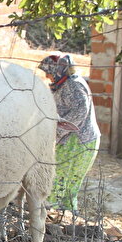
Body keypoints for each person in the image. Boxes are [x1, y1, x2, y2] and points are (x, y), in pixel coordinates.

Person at [39, 53, 100, 214]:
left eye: (49, 72)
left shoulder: (74, 85)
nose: (47, 76)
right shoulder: (62, 85)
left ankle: (52, 213)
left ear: (59, 70)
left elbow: (80, 111)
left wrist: (58, 131)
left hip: (79, 140)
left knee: (61, 177)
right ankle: (62, 215)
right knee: (62, 177)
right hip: (70, 139)